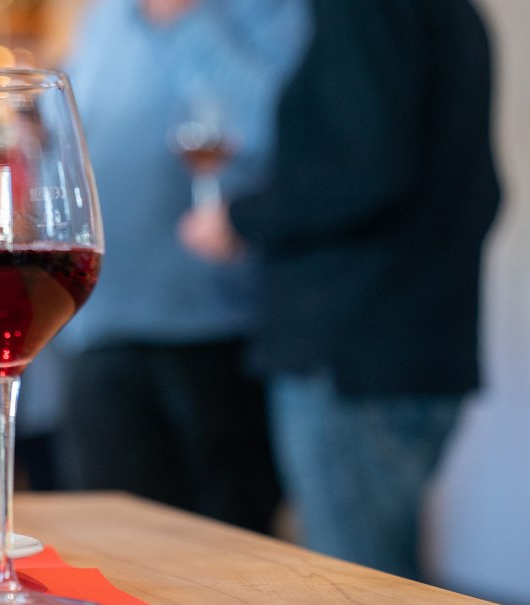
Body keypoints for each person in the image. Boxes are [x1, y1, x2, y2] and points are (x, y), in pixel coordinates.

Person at [179, 0, 500, 579]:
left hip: (350, 352)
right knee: (386, 573)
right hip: (421, 345)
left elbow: (361, 170)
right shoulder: (455, 14)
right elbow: (484, 192)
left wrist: (240, 219)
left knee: (355, 580)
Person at [41, 0, 308, 532]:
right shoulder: (106, 13)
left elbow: (281, 129)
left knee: (225, 549)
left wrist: (185, 20)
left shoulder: (273, 10)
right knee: (110, 544)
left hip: (215, 331)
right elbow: (71, 130)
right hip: (96, 325)